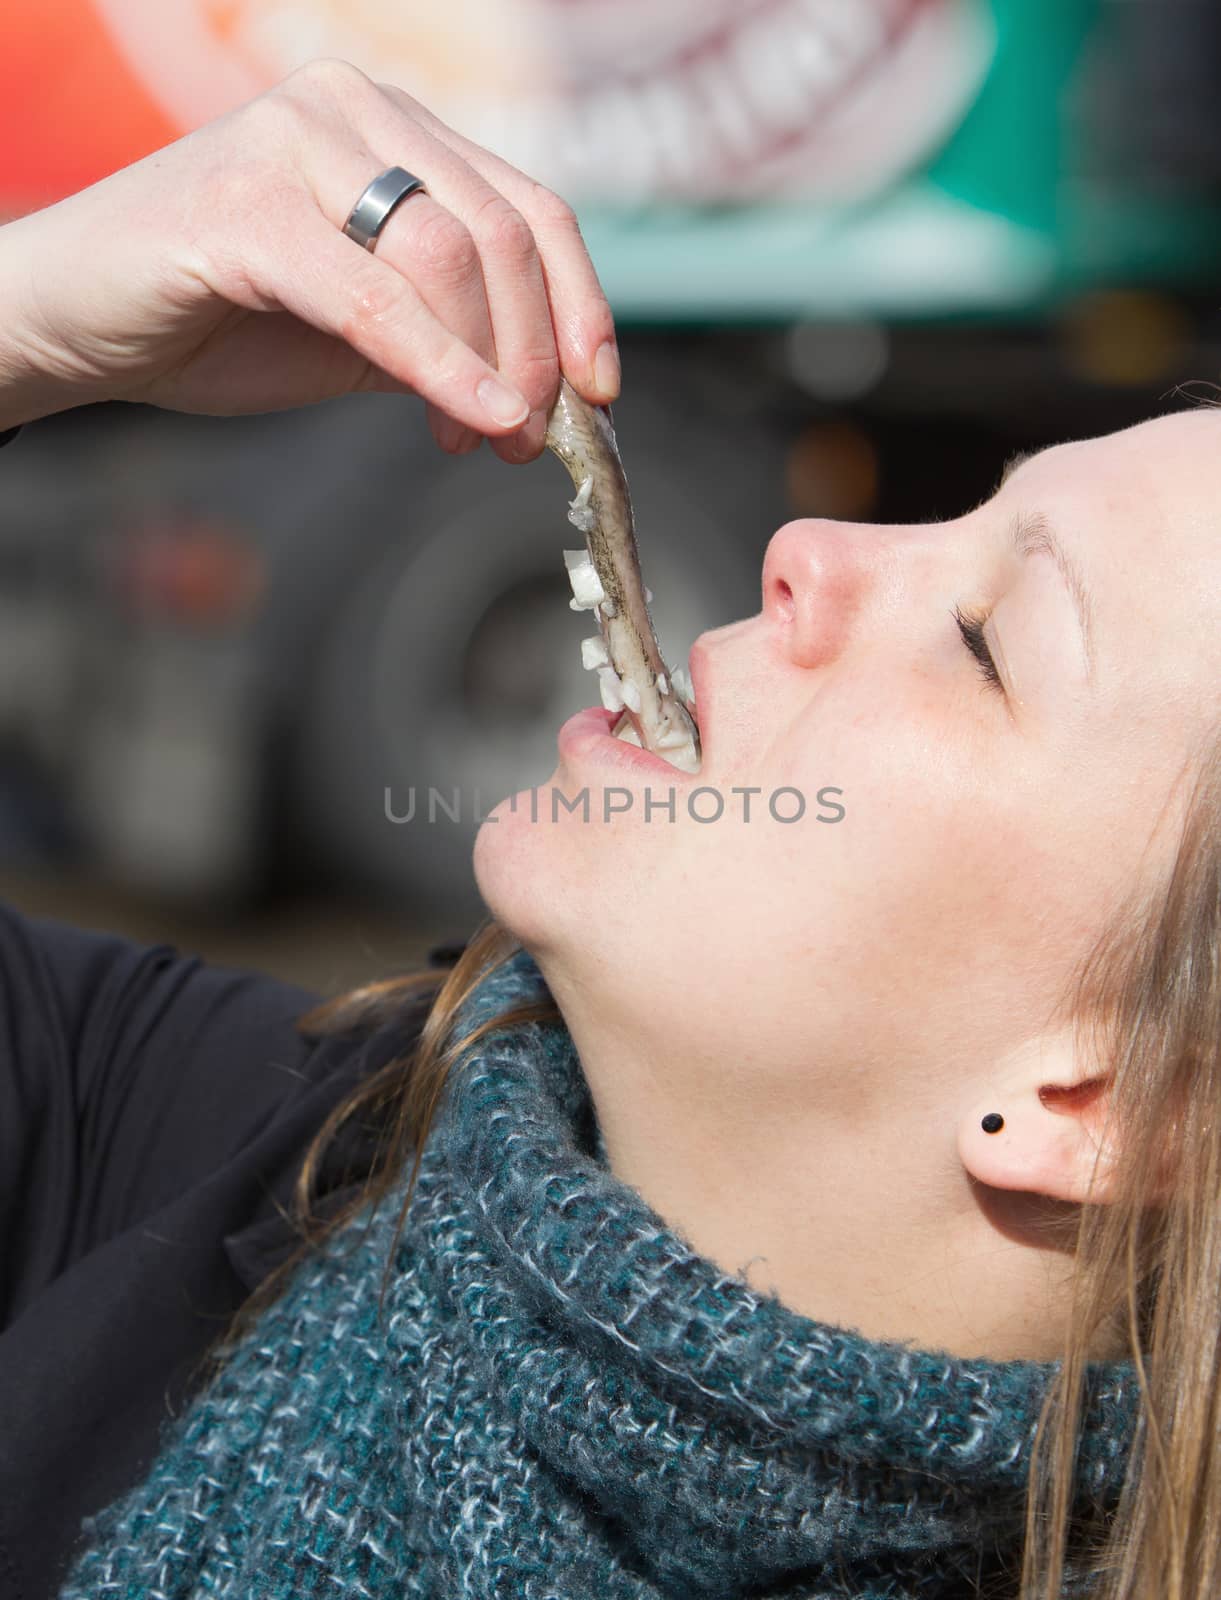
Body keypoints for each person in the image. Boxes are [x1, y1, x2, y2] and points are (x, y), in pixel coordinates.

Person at [0, 57, 1217, 1600]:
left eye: (985, 639)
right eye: (952, 509)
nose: (808, 548)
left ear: (1107, 1100)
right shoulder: (226, 1160)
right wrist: (22, 313)